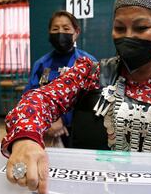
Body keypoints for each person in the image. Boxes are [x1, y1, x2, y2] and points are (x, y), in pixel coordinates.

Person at [2, 0, 151, 194]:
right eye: (119, 28)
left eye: (141, 27)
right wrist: (26, 137)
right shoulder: (90, 74)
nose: (128, 36)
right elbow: (39, 99)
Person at [23, 10, 97, 147]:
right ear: (50, 33)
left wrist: (63, 119)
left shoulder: (88, 62)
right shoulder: (42, 64)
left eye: (66, 28)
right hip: (48, 131)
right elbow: (31, 96)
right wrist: (50, 120)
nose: (60, 33)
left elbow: (93, 99)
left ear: (76, 32)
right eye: (55, 29)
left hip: (80, 131)